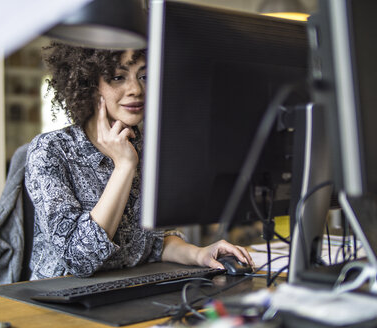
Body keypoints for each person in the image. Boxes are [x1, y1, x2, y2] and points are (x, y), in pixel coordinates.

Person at [24, 42, 254, 279]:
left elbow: (155, 242)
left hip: (127, 289)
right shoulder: (51, 150)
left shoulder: (148, 148)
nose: (136, 89)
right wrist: (124, 167)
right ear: (90, 85)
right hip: (59, 299)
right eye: (117, 77)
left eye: (144, 76)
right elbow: (80, 259)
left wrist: (201, 254)